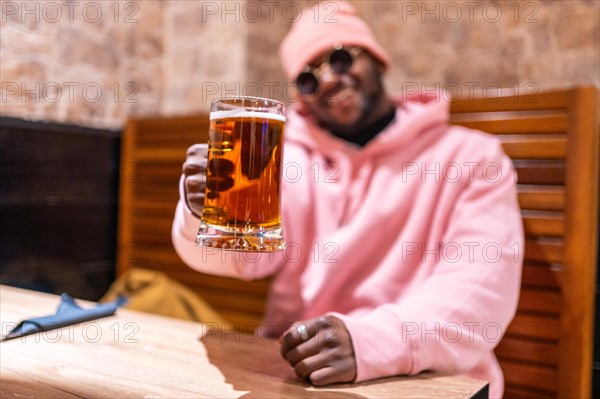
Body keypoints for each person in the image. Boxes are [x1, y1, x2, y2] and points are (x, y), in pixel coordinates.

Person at [172, 2, 523, 398]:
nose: (326, 81)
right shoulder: (286, 159)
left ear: (377, 60)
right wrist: (202, 213)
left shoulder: (472, 157)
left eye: (339, 59)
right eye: (307, 80)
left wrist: (370, 343)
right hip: (296, 373)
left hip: (433, 379)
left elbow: (480, 291)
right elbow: (243, 259)